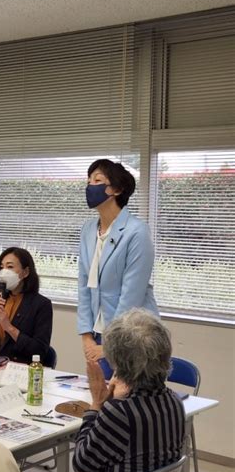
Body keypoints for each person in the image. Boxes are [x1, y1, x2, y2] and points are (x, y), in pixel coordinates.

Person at [29, 309, 185, 472]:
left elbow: (81, 464)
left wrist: (96, 405)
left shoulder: (120, 413)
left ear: (119, 363)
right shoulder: (173, 403)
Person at [79, 158, 158, 378]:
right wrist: (86, 336)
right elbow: (84, 285)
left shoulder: (136, 232)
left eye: (98, 180)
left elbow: (131, 295)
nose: (90, 186)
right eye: (88, 181)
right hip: (97, 334)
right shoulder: (87, 230)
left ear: (116, 189)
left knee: (127, 403)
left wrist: (108, 345)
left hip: (134, 335)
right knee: (100, 400)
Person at [0, 246, 52, 364]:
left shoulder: (41, 305)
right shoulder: (0, 298)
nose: (4, 271)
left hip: (21, 370)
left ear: (25, 272)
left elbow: (39, 351)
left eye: (10, 267)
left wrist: (8, 327)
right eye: (1, 267)